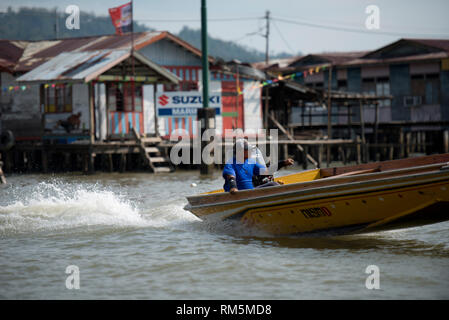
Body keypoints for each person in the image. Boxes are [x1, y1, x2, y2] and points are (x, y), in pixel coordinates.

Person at [223, 139, 295, 194]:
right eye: (247, 149)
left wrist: (283, 163)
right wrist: (233, 188)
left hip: (250, 193)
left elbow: (267, 171)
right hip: (237, 194)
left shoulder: (251, 162)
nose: (250, 151)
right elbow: (231, 178)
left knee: (273, 184)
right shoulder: (231, 163)